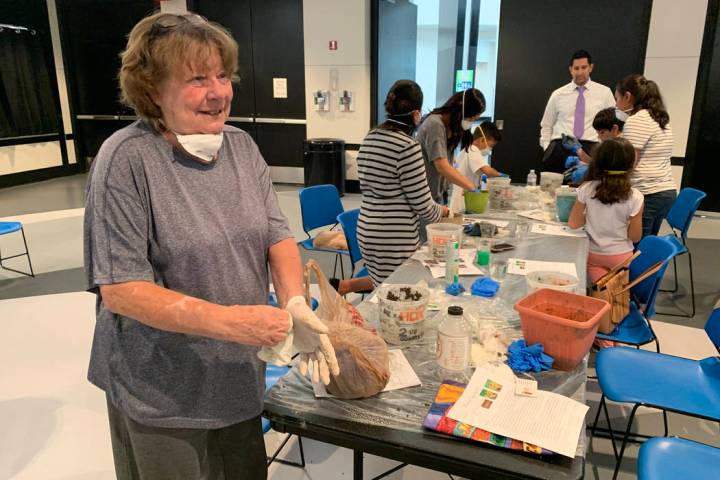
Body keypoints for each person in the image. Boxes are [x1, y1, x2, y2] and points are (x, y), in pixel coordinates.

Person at [83, 12, 338, 479]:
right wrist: (230, 322)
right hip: (161, 391)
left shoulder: (241, 147)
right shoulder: (126, 160)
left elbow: (276, 234)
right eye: (197, 79)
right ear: (152, 88)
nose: (218, 92)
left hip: (237, 375)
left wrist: (294, 301)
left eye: (222, 75)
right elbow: (121, 289)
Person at [355, 80, 449, 287]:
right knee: (397, 294)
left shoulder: (370, 137)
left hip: (366, 229)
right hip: (393, 236)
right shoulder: (408, 146)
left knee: (383, 289)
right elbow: (422, 205)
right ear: (416, 114)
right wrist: (443, 211)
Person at [568, 137, 643, 283]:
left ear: (598, 161)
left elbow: (573, 224)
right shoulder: (636, 197)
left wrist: (592, 217)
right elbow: (635, 237)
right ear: (630, 164)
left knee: (599, 295)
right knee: (616, 299)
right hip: (621, 256)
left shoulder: (586, 188)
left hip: (593, 254)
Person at [614, 73, 676, 237]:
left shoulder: (637, 119)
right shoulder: (659, 117)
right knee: (648, 244)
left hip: (648, 192)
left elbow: (630, 160)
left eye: (617, 98)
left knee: (637, 245)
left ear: (627, 96)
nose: (616, 104)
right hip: (665, 191)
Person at [540, 50, 616, 174]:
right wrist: (547, 147)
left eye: (584, 67)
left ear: (591, 67)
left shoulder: (604, 93)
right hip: (560, 147)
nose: (580, 72)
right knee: (554, 190)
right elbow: (546, 124)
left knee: (589, 189)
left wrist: (604, 149)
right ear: (570, 69)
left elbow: (612, 123)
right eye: (576, 68)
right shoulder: (558, 94)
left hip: (591, 147)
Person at [415, 88, 486, 203]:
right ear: (460, 111)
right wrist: (470, 186)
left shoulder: (450, 128)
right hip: (424, 198)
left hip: (437, 194)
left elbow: (448, 165)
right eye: (471, 118)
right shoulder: (435, 124)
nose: (471, 122)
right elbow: (442, 166)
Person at [448, 121, 503, 214]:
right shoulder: (473, 150)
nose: (490, 149)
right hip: (464, 201)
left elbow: (483, 175)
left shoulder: (467, 150)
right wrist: (502, 176)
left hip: (462, 199)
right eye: (491, 146)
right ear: (482, 140)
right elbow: (487, 171)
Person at [564, 107, 625, 184]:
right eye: (598, 133)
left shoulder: (622, 147)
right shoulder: (610, 144)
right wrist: (578, 151)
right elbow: (597, 164)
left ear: (614, 129)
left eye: (602, 132)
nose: (599, 137)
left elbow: (607, 172)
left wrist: (587, 171)